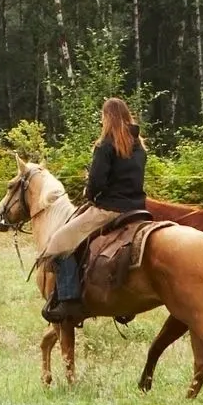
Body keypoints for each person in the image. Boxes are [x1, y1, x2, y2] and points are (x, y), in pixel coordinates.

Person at [40, 97, 148, 323]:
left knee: (58, 243)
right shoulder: (139, 147)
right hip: (137, 209)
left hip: (109, 209)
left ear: (108, 117)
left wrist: (90, 193)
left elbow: (98, 181)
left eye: (103, 116)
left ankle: (69, 300)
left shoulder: (106, 145)